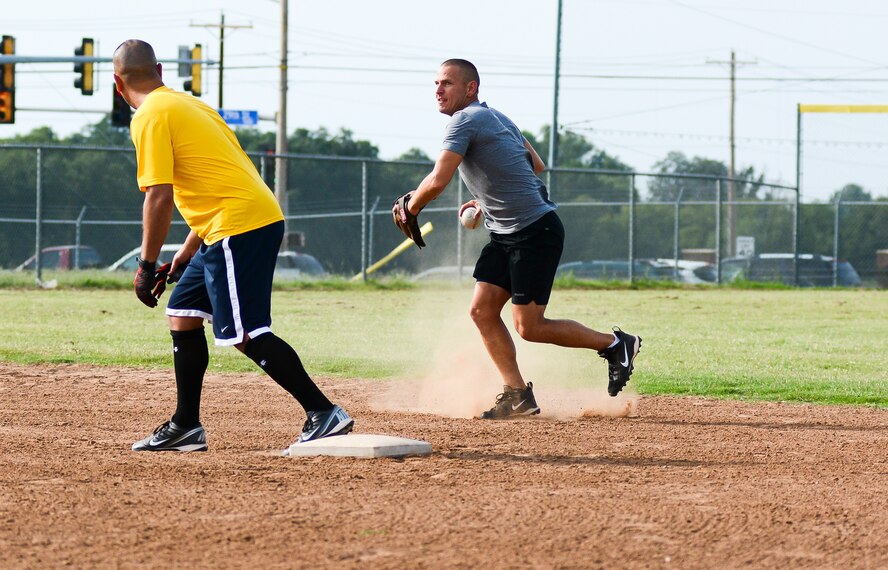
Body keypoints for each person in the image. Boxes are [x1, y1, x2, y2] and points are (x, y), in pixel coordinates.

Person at [114, 39, 353, 453]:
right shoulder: (190, 105)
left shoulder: (149, 115)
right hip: (229, 223)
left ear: (118, 84)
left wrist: (146, 264)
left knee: (245, 332)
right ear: (160, 71)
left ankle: (323, 412)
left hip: (238, 226)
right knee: (183, 312)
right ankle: (186, 424)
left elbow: (158, 195)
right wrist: (183, 256)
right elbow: (218, 182)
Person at [394, 59, 641, 419]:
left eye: (447, 83)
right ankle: (517, 394)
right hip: (506, 233)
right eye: (436, 83)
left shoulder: (464, 121)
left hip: (534, 232)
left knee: (530, 327)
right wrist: (488, 197)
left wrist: (409, 209)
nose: (438, 90)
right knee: (481, 311)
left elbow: (437, 180)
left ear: (470, 88)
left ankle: (616, 343)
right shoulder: (497, 117)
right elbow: (535, 164)